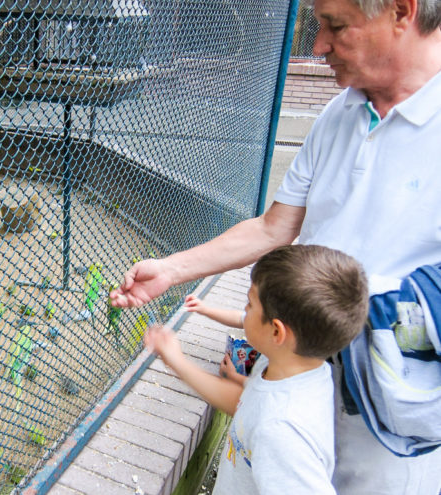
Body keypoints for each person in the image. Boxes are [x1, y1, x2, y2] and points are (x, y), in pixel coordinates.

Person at [110, 0, 441, 492]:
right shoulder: (340, 112)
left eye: (334, 26)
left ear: (400, 11)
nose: (318, 45)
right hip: (303, 370)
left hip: (389, 419)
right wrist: (173, 270)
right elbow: (273, 227)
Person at [145, 245, 369, 495]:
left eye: (249, 305)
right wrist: (178, 362)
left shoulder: (282, 430)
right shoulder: (299, 369)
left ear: (277, 332)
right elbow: (245, 405)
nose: (245, 312)